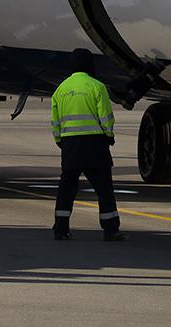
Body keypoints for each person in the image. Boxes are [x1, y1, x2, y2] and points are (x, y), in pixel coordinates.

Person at [51, 49, 127, 242]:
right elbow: (106, 117)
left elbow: (55, 122)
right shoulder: (97, 86)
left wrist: (61, 141)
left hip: (70, 145)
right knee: (104, 189)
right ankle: (110, 230)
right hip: (95, 144)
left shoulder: (61, 89)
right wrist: (108, 136)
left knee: (67, 188)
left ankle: (61, 229)